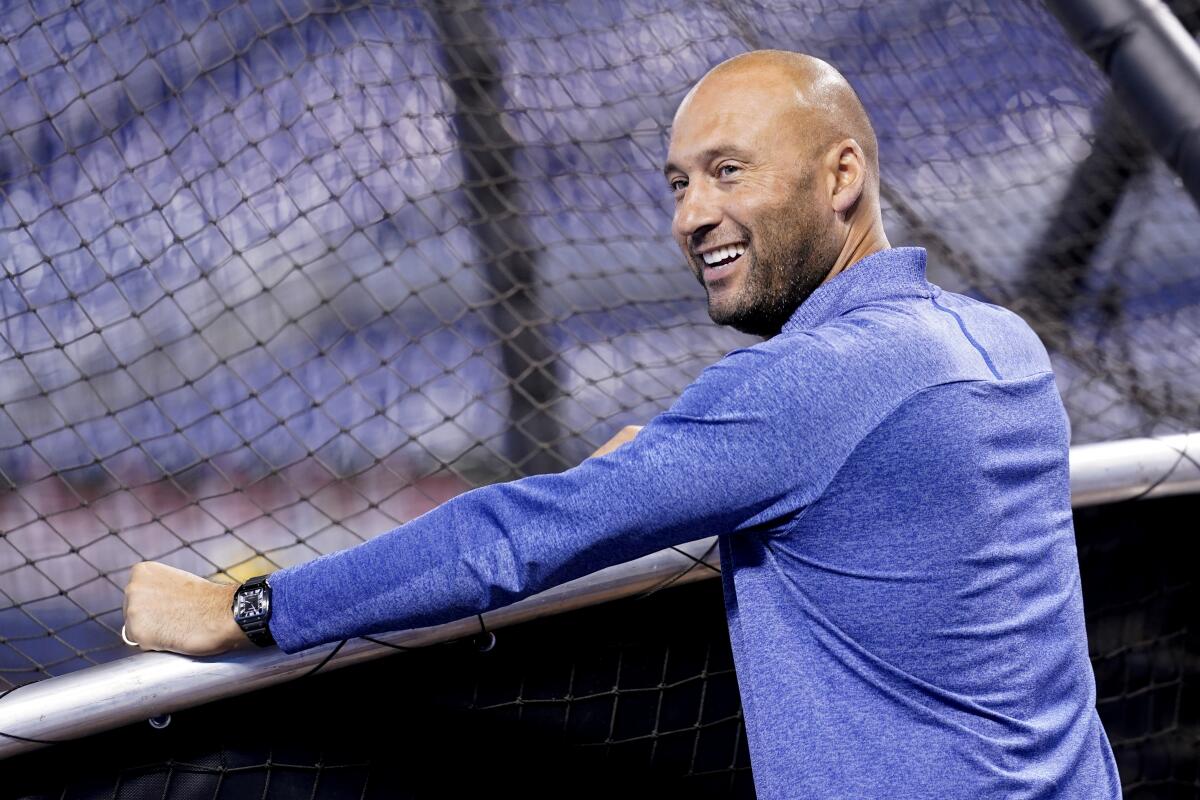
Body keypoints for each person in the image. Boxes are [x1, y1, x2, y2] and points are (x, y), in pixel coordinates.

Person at [122, 50, 1122, 797]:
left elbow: (506, 540)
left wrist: (249, 607)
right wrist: (674, 459)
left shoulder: (799, 390)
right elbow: (874, 493)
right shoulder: (1001, 344)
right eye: (679, 183)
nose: (690, 216)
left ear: (842, 177)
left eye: (728, 171)